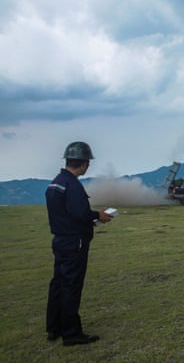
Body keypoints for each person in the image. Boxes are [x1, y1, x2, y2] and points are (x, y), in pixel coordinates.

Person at [45, 141, 114, 346]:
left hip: (60, 240)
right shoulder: (73, 185)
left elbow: (66, 213)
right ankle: (71, 333)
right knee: (71, 286)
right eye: (88, 163)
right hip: (75, 243)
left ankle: (54, 327)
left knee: (58, 283)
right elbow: (80, 213)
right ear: (84, 163)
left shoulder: (56, 183)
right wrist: (98, 215)